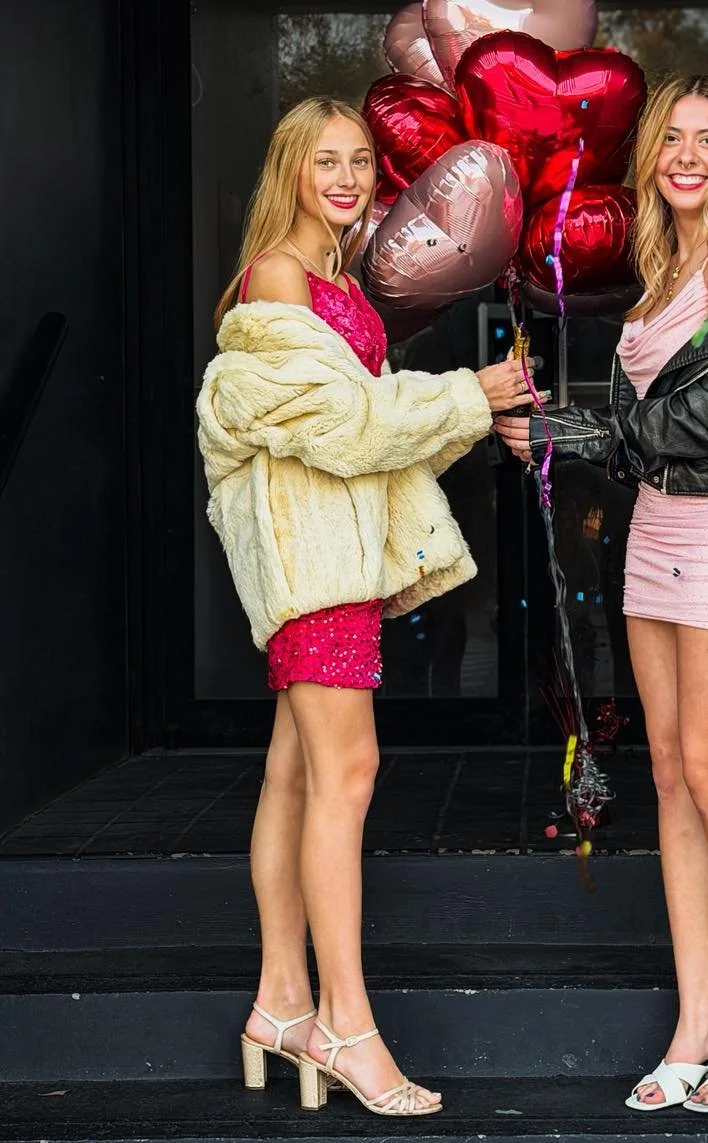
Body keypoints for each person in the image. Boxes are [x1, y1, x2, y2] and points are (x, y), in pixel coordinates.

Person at [197, 97, 541, 1118]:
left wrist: (483, 418)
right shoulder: (275, 280)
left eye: (359, 162)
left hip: (332, 553)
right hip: (312, 563)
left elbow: (375, 438)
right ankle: (347, 1024)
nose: (346, 180)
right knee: (348, 771)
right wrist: (473, 391)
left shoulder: (338, 282)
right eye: (325, 162)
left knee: (297, 772)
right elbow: (343, 423)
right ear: (290, 172)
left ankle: (281, 1001)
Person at [495, 73, 708, 1115]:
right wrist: (549, 420)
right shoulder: (663, 261)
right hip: (658, 530)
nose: (687, 155)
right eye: (672, 139)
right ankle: (702, 1021)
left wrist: (573, 434)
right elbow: (652, 433)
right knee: (673, 774)